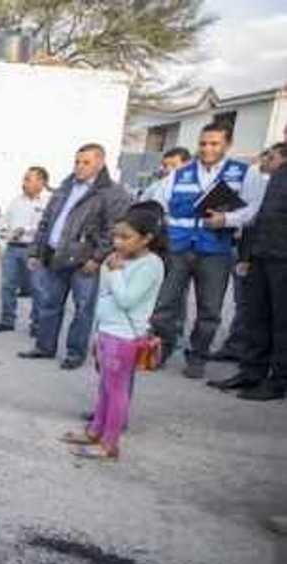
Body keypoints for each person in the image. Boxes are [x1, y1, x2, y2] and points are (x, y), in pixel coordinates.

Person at [147, 122, 266, 380]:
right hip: (179, 248)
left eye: (214, 143)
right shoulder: (180, 173)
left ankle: (198, 356)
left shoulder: (244, 173)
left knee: (209, 309)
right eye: (203, 143)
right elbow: (159, 204)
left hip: (216, 250)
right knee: (165, 305)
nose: (207, 148)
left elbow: (254, 209)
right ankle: (161, 350)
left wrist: (228, 220)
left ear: (227, 144)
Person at [62, 202, 166, 460]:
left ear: (147, 238)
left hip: (125, 336)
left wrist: (116, 272)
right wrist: (111, 268)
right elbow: (105, 294)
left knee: (117, 390)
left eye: (126, 237)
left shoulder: (151, 265)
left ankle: (110, 444)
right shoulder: (119, 259)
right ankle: (95, 431)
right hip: (108, 330)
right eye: (116, 236)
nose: (118, 242)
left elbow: (127, 300)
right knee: (105, 387)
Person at [20, 143, 131, 370]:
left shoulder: (112, 193)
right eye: (77, 162)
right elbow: (46, 221)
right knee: (49, 304)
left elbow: (114, 230)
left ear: (100, 163)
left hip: (84, 262)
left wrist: (97, 258)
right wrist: (36, 251)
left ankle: (74, 353)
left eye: (86, 162)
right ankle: (44, 346)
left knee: (82, 309)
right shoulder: (65, 186)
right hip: (55, 256)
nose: (79, 167)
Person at [208, 148, 287, 401]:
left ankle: (278, 382)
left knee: (281, 323)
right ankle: (252, 372)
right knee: (255, 316)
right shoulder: (279, 174)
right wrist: (229, 222)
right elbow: (259, 213)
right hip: (262, 253)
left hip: (283, 258)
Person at [0, 166, 51, 333]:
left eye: (28, 179)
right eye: (24, 179)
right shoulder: (16, 201)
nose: (24, 183)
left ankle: (37, 324)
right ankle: (7, 320)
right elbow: (3, 222)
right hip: (12, 248)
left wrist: (24, 230)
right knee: (7, 285)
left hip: (34, 249)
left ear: (41, 182)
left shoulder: (48, 203)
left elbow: (44, 226)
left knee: (37, 287)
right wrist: (3, 231)